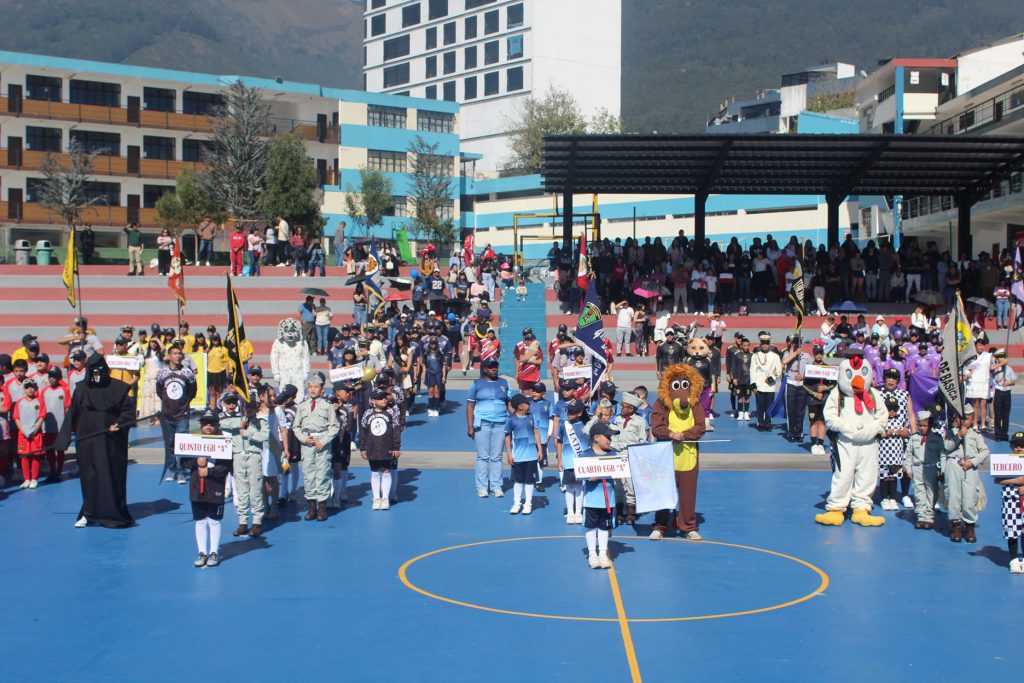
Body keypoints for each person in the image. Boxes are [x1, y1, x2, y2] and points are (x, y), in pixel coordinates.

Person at [54, 354, 135, 528]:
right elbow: (72, 415)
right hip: (87, 443)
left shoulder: (118, 388)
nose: (96, 376)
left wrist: (119, 424)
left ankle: (114, 514)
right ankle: (89, 513)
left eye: (99, 372)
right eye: (93, 372)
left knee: (111, 477)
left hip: (111, 443)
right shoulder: (81, 389)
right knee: (90, 478)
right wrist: (62, 441)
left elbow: (128, 414)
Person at [292, 372, 340, 522]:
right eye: (310, 387)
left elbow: (334, 427)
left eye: (316, 387)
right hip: (307, 443)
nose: (312, 389)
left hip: (322, 444)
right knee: (308, 475)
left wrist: (324, 441)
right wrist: (303, 438)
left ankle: (322, 509)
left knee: (322, 474)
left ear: (322, 388)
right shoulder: (302, 406)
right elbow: (296, 427)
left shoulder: (327, 406)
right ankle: (311, 508)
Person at [188, 409, 231, 568]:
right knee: (200, 521)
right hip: (197, 488)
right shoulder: (193, 442)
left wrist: (210, 472)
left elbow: (226, 466)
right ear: (200, 425)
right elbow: (183, 462)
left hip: (215, 488)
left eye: (212, 423)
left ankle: (213, 551)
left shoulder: (223, 442)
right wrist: (195, 462)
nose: (208, 426)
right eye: (205, 423)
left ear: (217, 425)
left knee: (214, 520)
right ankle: (202, 552)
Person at [221, 390, 265, 538]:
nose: (249, 409)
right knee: (241, 490)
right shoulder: (237, 420)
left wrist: (247, 433)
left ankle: (257, 522)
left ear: (258, 407)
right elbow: (220, 423)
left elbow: (263, 436)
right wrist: (238, 424)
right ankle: (243, 522)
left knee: (255, 489)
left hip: (253, 456)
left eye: (253, 406)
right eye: (247, 406)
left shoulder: (261, 422)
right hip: (238, 456)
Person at [943, 405, 989, 544]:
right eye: (961, 419)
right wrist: (958, 436)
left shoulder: (975, 435)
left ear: (972, 420)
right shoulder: (950, 432)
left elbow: (985, 451)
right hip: (954, 465)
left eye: (967, 419)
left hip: (969, 467)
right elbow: (947, 447)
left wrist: (973, 462)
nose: (964, 422)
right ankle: (956, 525)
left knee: (970, 497)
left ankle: (970, 526)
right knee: (954, 496)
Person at [578, 421, 620, 569]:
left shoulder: (613, 455)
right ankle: (592, 554)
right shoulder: (585, 455)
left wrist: (617, 474)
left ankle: (602, 553)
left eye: (611, 437)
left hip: (608, 500)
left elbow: (619, 471)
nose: (610, 440)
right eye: (607, 436)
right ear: (596, 438)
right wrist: (587, 476)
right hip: (592, 500)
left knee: (604, 527)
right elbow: (579, 473)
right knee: (591, 527)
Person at [466, 359, 509, 498]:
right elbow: (470, 406)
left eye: (495, 366)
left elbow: (509, 404)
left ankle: (496, 486)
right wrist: (470, 426)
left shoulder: (504, 383)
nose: (494, 369)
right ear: (485, 369)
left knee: (497, 457)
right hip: (482, 424)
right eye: (491, 367)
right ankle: (482, 487)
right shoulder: (476, 384)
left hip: (501, 424)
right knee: (482, 456)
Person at [156, 346, 198, 485]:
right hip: (167, 414)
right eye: (175, 353)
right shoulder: (162, 373)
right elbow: (159, 390)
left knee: (182, 443)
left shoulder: (187, 373)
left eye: (180, 354)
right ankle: (172, 469)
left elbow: (192, 391)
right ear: (169, 356)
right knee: (169, 443)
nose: (178, 356)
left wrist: (184, 403)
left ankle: (181, 470)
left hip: (182, 415)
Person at [360, 387, 402, 510]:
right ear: (373, 401)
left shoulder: (391, 412)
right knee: (374, 472)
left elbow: (396, 431)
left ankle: (385, 498)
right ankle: (376, 498)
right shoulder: (367, 413)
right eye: (380, 398)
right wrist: (362, 448)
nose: (384, 399)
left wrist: (396, 447)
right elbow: (363, 431)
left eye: (384, 397)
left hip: (387, 447)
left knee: (386, 471)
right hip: (372, 448)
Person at [902, 410, 943, 530]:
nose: (922, 428)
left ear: (930, 425)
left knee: (931, 492)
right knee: (919, 492)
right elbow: (908, 454)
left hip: (931, 468)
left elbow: (942, 455)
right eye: (920, 425)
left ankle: (929, 517)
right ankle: (921, 516)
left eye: (925, 425)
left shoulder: (937, 438)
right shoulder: (914, 438)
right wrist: (909, 469)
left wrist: (942, 470)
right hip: (918, 468)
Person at [504, 394, 542, 515]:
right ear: (520, 406)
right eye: (527, 403)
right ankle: (517, 503)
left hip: (531, 456)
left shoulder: (532, 417)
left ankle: (528, 503)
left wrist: (540, 449)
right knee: (518, 481)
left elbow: (536, 433)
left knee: (530, 480)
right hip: (518, 457)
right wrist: (509, 454)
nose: (529, 404)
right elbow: (507, 437)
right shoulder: (511, 419)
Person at [556, 399, 588, 525]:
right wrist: (559, 460)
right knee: (569, 487)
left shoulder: (586, 425)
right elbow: (559, 443)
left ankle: (578, 512)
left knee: (579, 487)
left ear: (580, 413)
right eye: (568, 411)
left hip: (582, 461)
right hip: (568, 461)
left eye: (572, 412)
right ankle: (570, 512)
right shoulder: (564, 425)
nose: (568, 414)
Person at [996, 431, 1024, 573]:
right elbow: (998, 479)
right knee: (1012, 530)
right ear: (1011, 446)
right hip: (1010, 500)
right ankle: (1014, 560)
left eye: (1022, 446)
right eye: (1016, 445)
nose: (1019, 448)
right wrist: (1016, 481)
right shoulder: (1006, 462)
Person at [13, 378, 46, 489]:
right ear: (24, 389)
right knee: (24, 457)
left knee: (36, 456)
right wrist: (24, 432)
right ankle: (26, 479)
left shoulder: (40, 401)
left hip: (36, 435)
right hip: (23, 436)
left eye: (32, 387)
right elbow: (16, 418)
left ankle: (34, 479)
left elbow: (42, 417)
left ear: (36, 388)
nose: (30, 389)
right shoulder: (19, 402)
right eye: (27, 387)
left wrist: (34, 432)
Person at [41, 368, 71, 482]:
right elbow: (41, 409)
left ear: (59, 378)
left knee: (60, 450)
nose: (52, 378)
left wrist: (67, 425)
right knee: (49, 451)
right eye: (50, 376)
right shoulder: (44, 391)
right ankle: (52, 470)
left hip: (60, 427)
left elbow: (67, 408)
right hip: (47, 427)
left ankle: (59, 471)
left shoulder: (64, 390)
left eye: (54, 376)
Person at [750, 332, 782, 432]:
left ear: (769, 344)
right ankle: (760, 423)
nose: (764, 345)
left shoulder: (775, 356)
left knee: (769, 405)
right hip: (759, 383)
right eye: (763, 343)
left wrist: (772, 378)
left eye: (766, 343)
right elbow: (752, 370)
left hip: (770, 384)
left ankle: (768, 423)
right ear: (760, 344)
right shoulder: (755, 356)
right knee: (760, 406)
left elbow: (779, 369)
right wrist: (753, 384)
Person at [991, 349, 1016, 441]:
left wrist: (1010, 382)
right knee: (998, 414)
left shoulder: (1009, 369)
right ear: (997, 359)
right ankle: (998, 434)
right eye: (1000, 357)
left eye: (1004, 357)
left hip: (1007, 393)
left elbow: (1014, 381)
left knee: (1006, 414)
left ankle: (1004, 434)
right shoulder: (995, 368)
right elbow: (991, 369)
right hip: (998, 392)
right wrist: (1000, 364)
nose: (1003, 359)